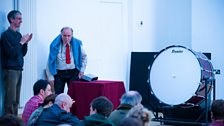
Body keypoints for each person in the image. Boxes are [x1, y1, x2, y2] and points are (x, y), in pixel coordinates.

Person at [0, 10, 32, 115]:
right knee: (10, 99)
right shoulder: (5, 35)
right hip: (10, 70)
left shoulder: (18, 35)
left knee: (16, 99)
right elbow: (10, 53)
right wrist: (21, 42)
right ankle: (8, 121)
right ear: (11, 19)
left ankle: (14, 120)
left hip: (18, 69)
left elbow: (21, 54)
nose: (21, 21)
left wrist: (25, 43)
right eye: (18, 19)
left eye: (21, 19)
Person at [46, 26, 87, 94]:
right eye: (64, 35)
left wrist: (82, 70)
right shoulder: (55, 45)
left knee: (74, 94)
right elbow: (50, 61)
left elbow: (84, 57)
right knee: (58, 95)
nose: (66, 38)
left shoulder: (77, 44)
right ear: (61, 35)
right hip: (59, 73)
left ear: (72, 35)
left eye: (69, 36)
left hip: (73, 72)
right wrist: (50, 77)